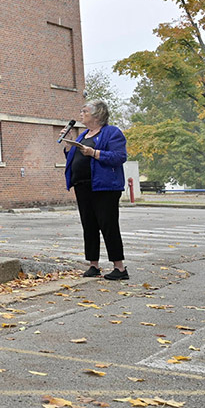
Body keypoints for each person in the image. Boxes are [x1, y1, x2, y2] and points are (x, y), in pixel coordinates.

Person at [64, 100, 130, 280]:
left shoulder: (111, 132)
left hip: (104, 187)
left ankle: (120, 268)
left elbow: (119, 156)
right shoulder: (83, 134)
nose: (81, 113)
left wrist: (94, 153)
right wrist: (69, 146)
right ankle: (93, 265)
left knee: (108, 225)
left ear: (97, 114)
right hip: (83, 186)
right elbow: (74, 157)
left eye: (84, 111)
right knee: (89, 225)